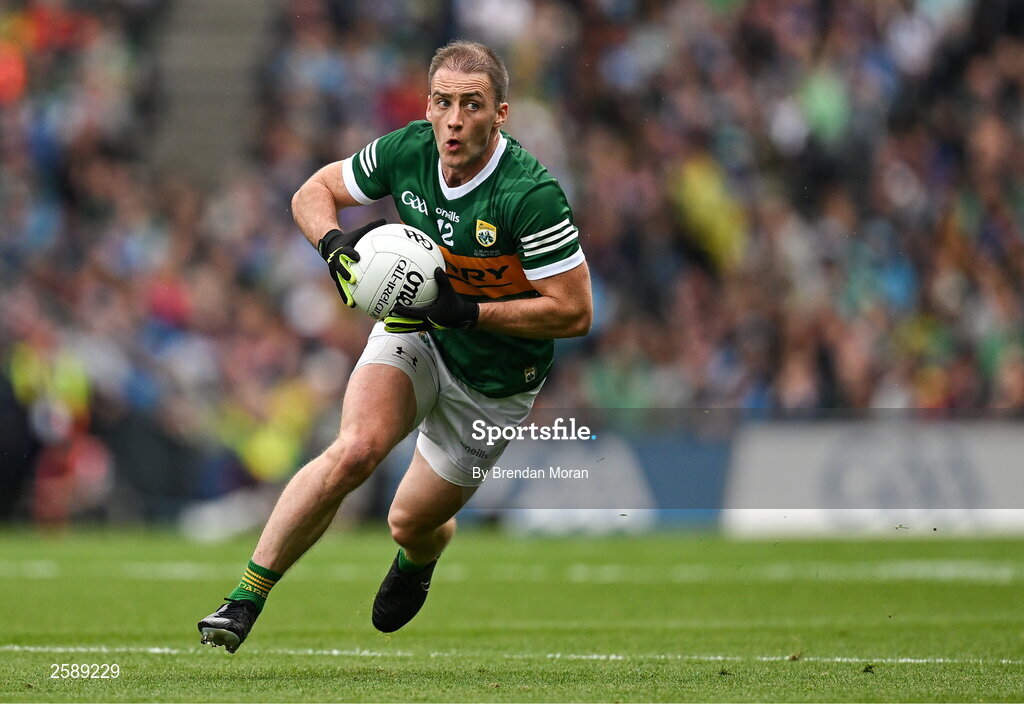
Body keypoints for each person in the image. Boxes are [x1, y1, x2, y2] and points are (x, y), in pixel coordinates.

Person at [197, 39, 592, 653]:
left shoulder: (529, 194)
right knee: (355, 449)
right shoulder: (407, 149)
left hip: (494, 383)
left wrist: (471, 310)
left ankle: (419, 558)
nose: (456, 120)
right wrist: (336, 248)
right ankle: (244, 598)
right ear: (427, 106)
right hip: (418, 331)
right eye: (443, 103)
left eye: (473, 104)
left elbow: (574, 311)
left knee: (409, 522)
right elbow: (311, 192)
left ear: (501, 114)